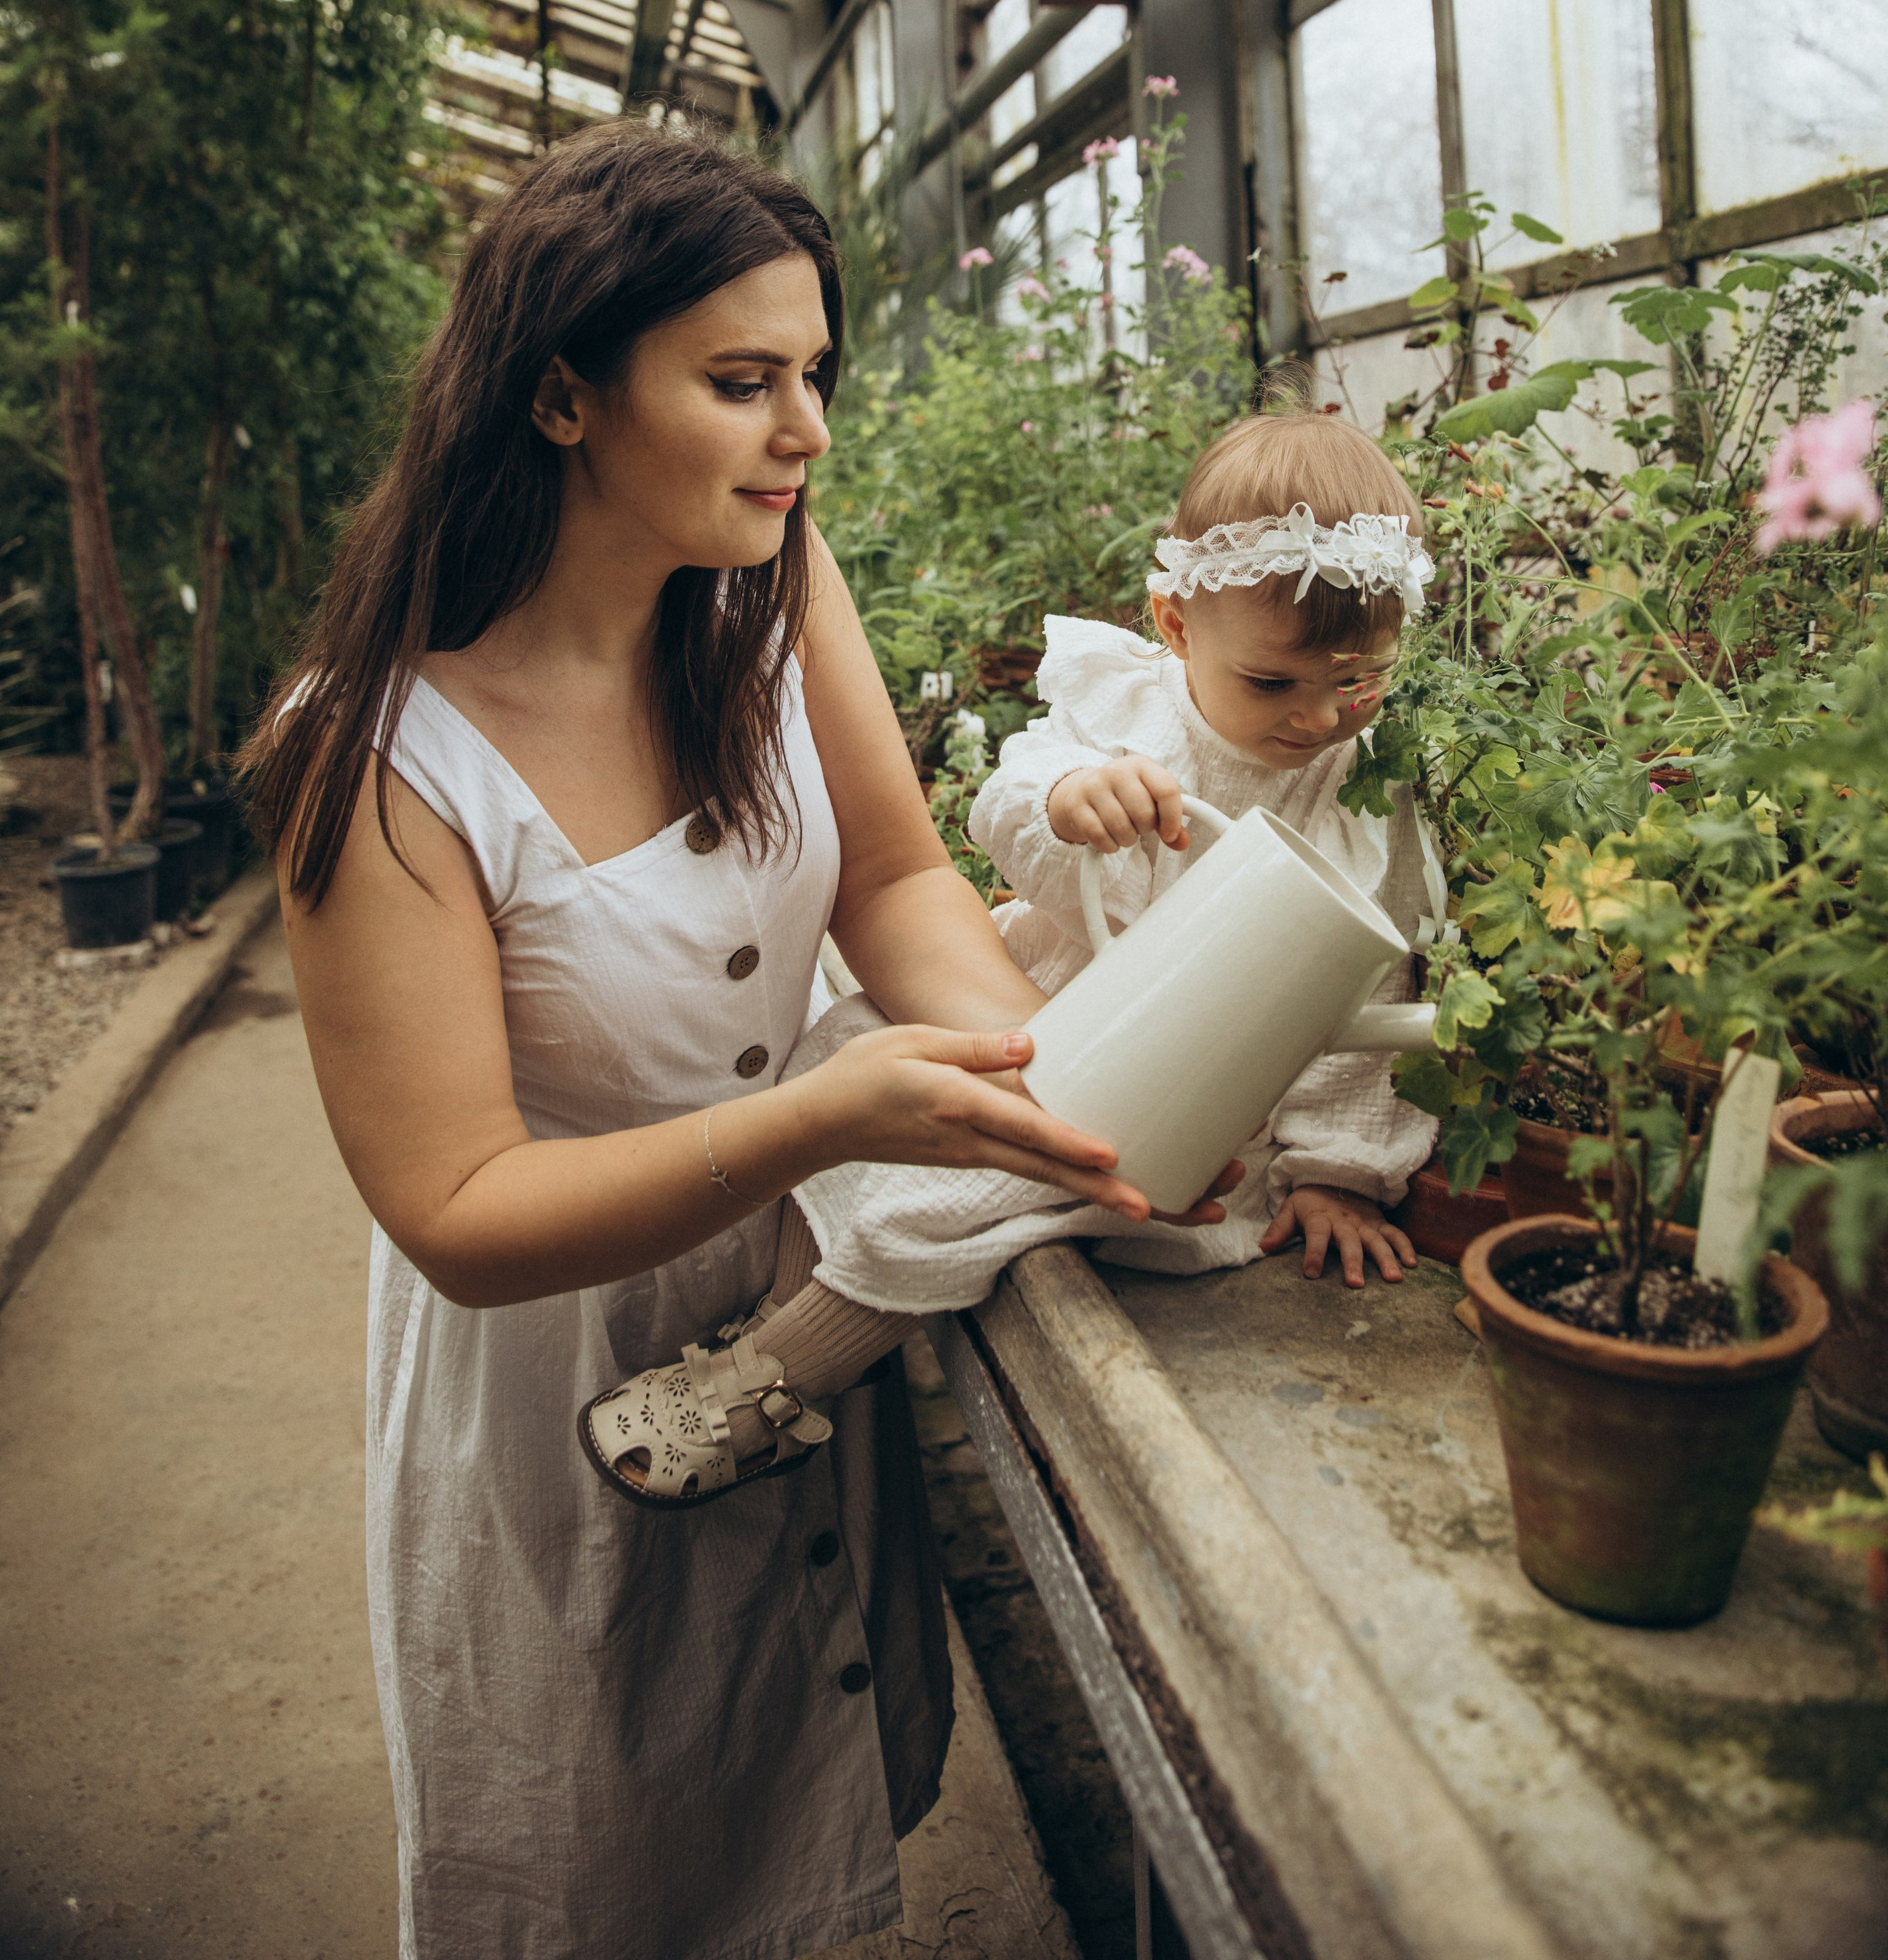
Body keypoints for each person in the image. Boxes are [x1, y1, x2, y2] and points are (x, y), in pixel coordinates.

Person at [239, 126, 1233, 1960]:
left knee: (799, 1811)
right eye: (741, 382)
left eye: (815, 376)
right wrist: (819, 1119)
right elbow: (456, 1212)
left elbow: (892, 875)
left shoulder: (762, 580)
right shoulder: (378, 755)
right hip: (563, 1384)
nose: (808, 432)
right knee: (610, 1861)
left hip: (787, 1330)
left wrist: (1068, 1085)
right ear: (560, 395)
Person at [591, 411, 1441, 1502]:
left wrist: (1335, 1171)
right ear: (1176, 624)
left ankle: (785, 1379)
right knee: (854, 1046)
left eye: (1360, 683)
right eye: (1275, 684)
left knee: (958, 1198)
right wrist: (1067, 800)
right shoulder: (1130, 707)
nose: (1319, 718)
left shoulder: (1363, 784)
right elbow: (1003, 804)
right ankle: (775, 1316)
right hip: (1035, 998)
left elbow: (1369, 976)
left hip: (1184, 1080)